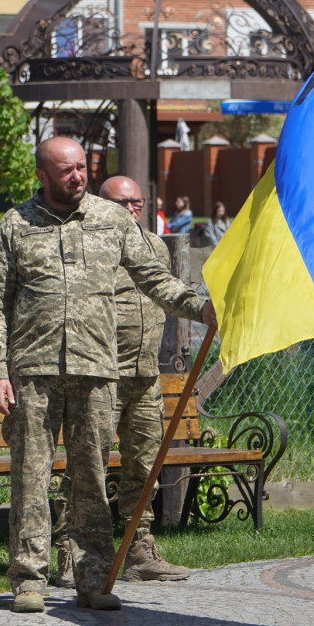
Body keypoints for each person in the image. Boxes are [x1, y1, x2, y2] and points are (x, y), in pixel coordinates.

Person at [0, 137, 215, 614]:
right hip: (34, 372)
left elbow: (155, 278)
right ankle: (28, 577)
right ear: (42, 176)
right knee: (30, 476)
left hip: (96, 372)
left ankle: (94, 576)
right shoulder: (15, 225)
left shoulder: (112, 220)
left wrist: (200, 307)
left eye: (82, 168)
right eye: (65, 170)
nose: (78, 177)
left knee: (89, 477)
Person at [51, 175, 192, 589]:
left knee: (144, 467)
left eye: (137, 202)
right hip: (101, 374)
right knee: (87, 467)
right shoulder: (90, 242)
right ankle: (69, 548)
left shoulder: (154, 245)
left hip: (146, 375)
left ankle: (138, 548)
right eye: (121, 202)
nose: (131, 209)